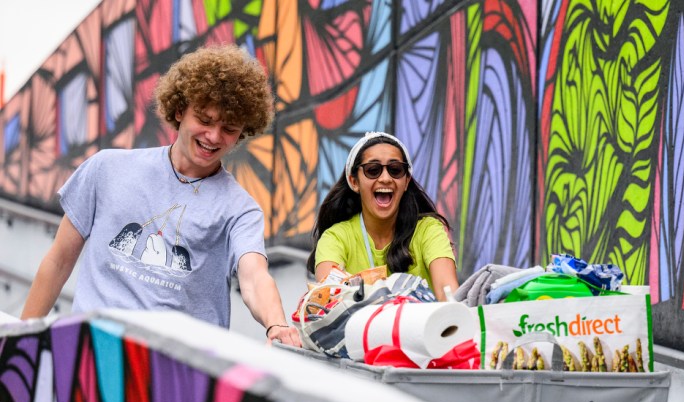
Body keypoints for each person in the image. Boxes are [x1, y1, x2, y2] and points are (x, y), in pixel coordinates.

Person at [20, 44, 302, 347]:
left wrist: (276, 324)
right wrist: (18, 343)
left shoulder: (240, 209)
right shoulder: (106, 168)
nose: (214, 136)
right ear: (179, 110)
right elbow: (58, 262)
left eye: (229, 128)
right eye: (205, 120)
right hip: (92, 357)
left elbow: (254, 277)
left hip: (177, 375)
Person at [308, 132, 458, 300]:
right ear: (354, 181)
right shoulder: (335, 238)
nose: (385, 178)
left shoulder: (428, 230)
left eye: (395, 170)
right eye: (373, 170)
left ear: (406, 181)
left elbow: (449, 294)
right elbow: (327, 299)